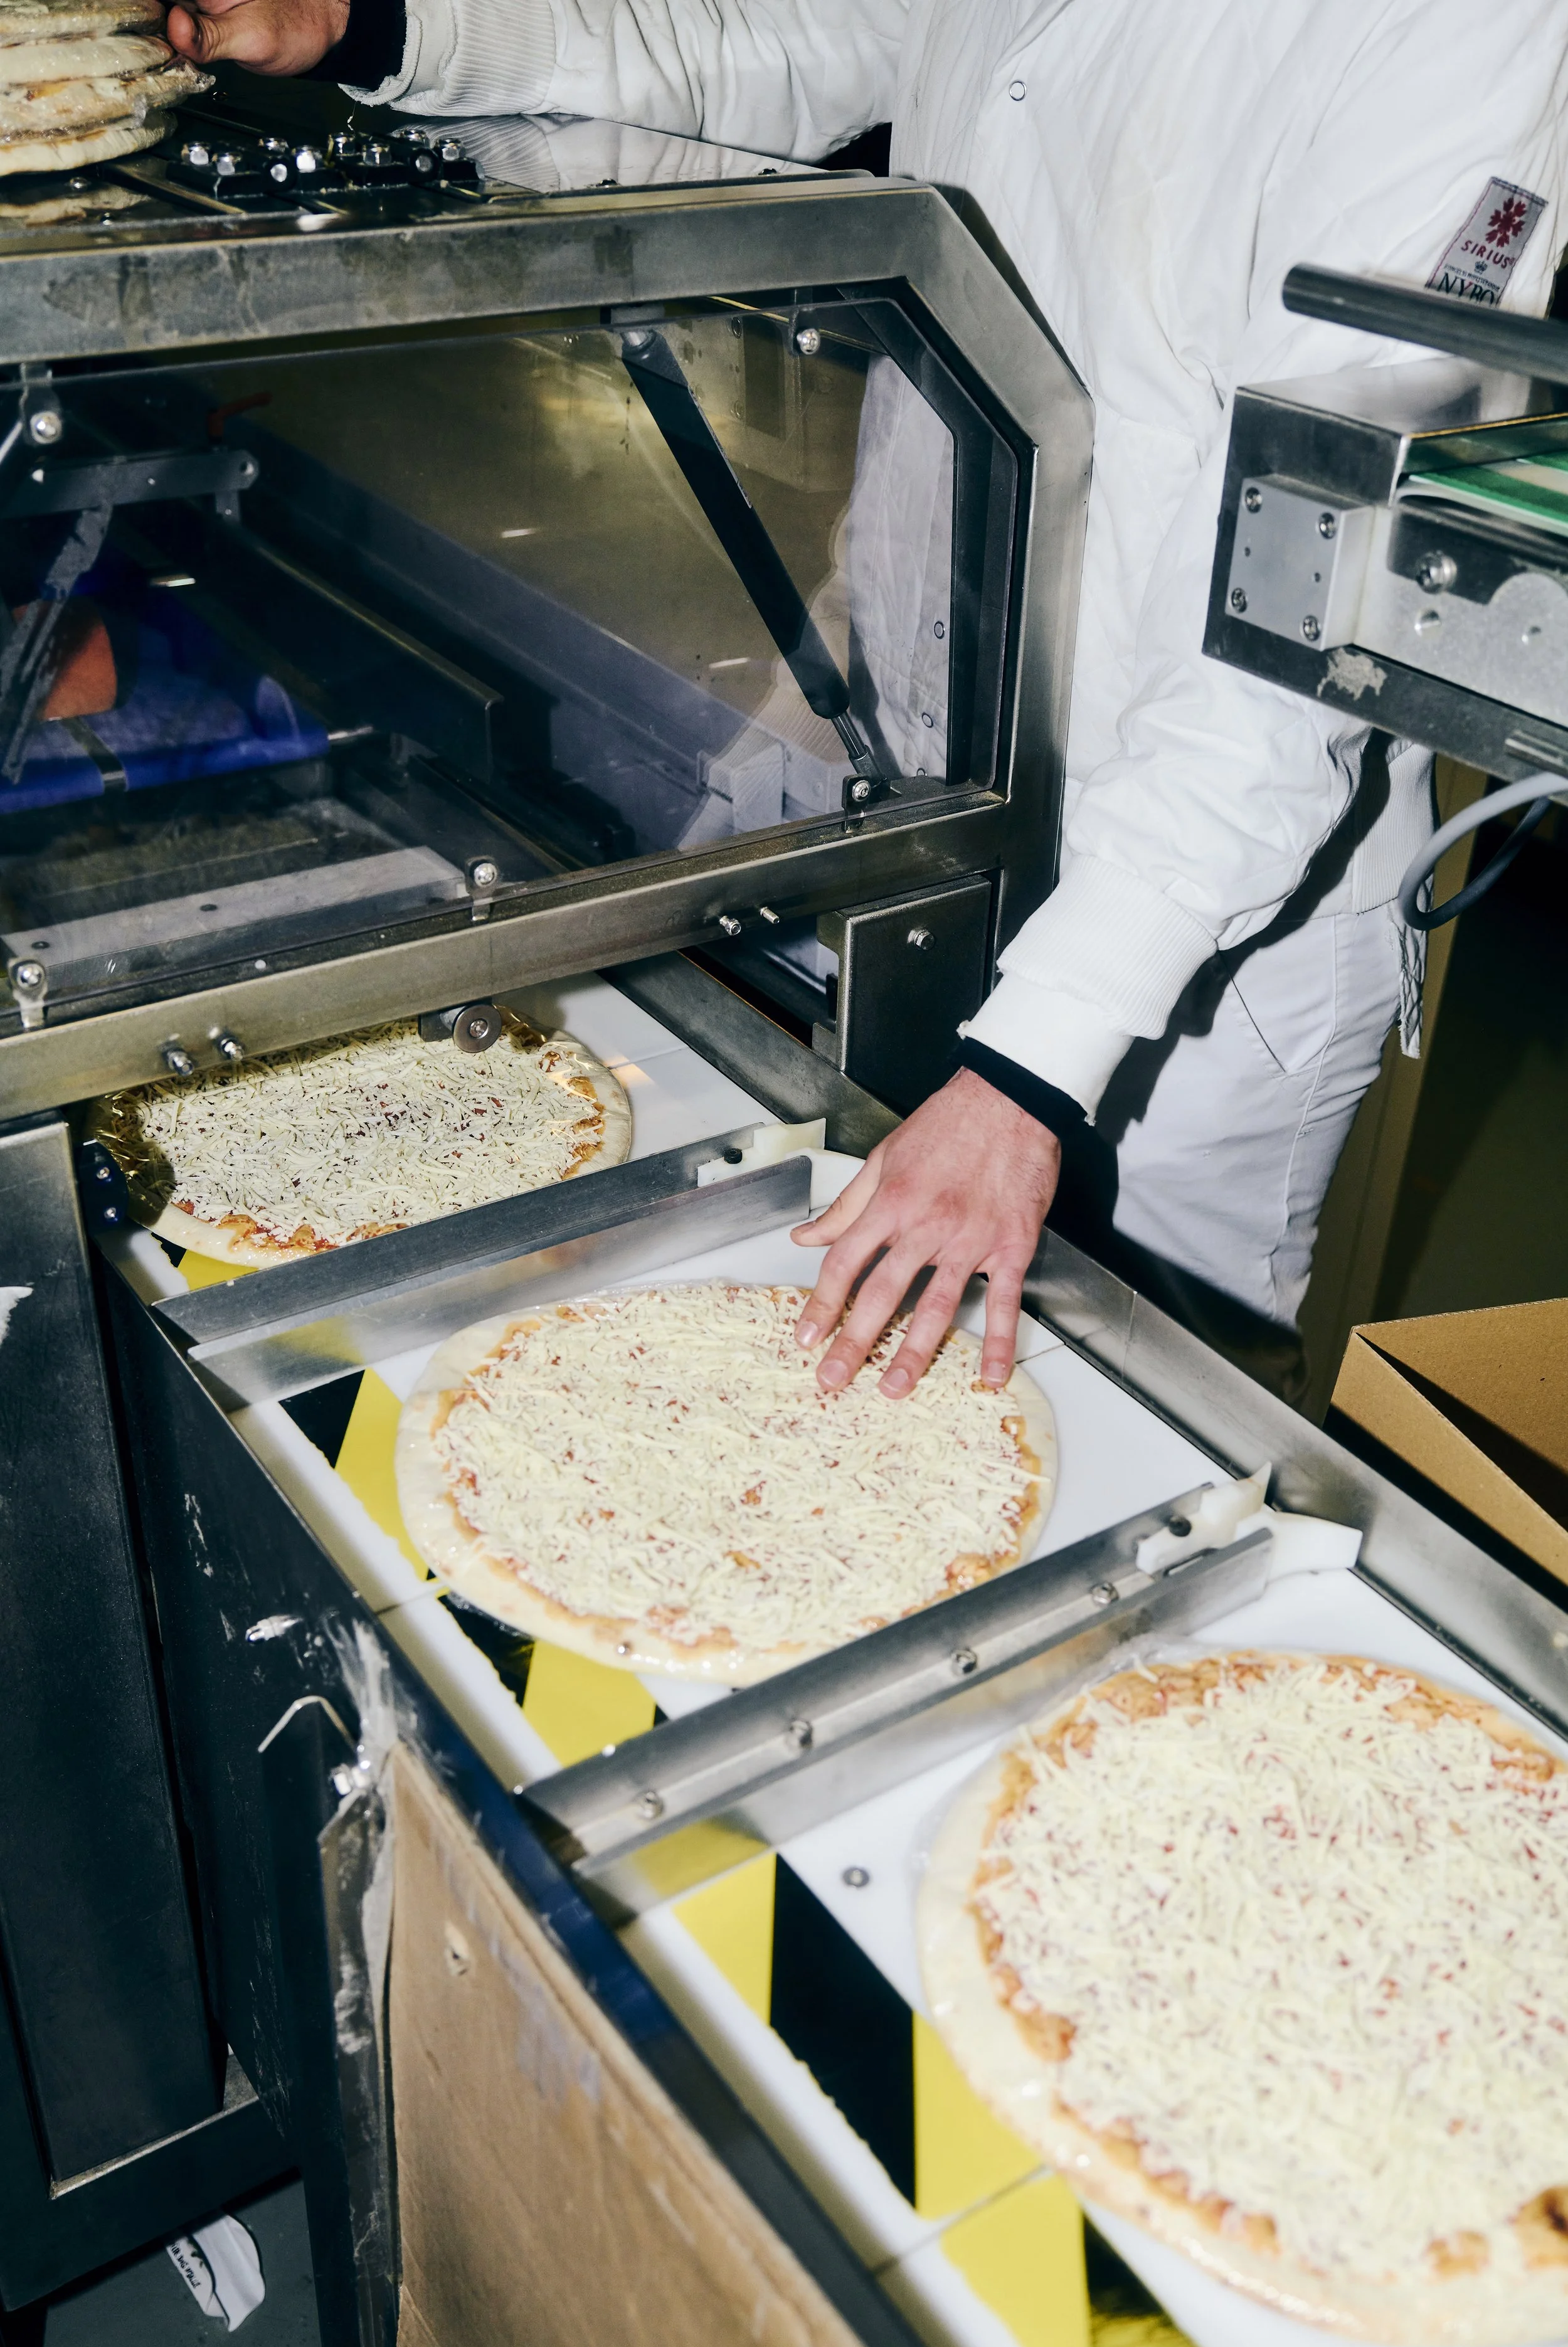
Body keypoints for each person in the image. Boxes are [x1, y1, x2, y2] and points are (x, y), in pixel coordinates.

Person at [168, 0, 1568, 1400]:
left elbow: (1302, 617)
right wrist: (379, 29)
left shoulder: (1448, 31)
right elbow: (771, 50)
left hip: (1194, 935)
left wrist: (1030, 1067)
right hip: (928, 789)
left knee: (1137, 1407)